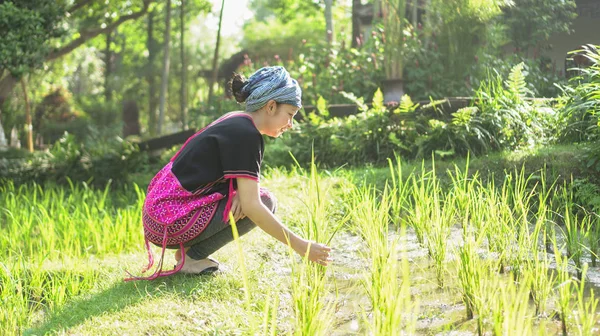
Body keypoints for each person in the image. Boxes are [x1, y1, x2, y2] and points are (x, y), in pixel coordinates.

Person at [126, 66, 331, 280]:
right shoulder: (247, 135)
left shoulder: (236, 121)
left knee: (252, 197)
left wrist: (240, 193)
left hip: (160, 215)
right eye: (290, 115)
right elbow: (254, 206)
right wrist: (302, 247)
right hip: (168, 219)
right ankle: (193, 258)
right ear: (271, 106)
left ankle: (190, 256)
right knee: (264, 201)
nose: (290, 124)